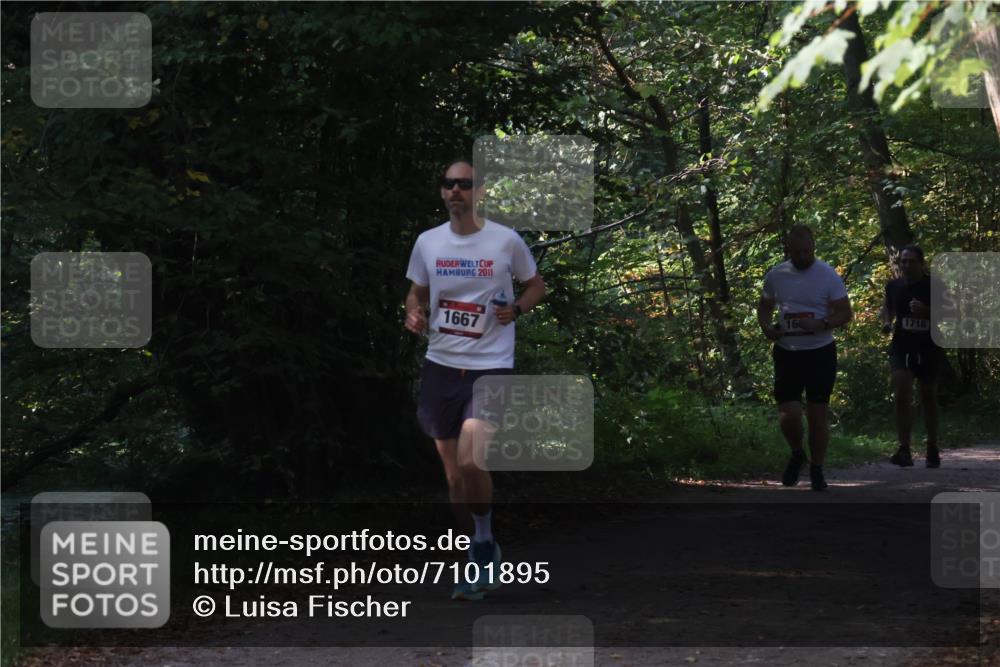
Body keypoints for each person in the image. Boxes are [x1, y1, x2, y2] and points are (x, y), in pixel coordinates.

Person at [404, 159, 546, 600]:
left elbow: (536, 285)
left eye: (464, 185)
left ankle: (484, 541)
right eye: (448, 184)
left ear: (479, 192)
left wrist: (517, 308)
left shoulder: (505, 240)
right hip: (441, 365)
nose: (455, 192)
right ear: (441, 191)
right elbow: (417, 291)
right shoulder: (428, 242)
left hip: (491, 366)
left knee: (471, 461)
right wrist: (413, 309)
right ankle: (474, 560)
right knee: (453, 480)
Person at [757, 225, 853, 491]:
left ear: (813, 247)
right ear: (789, 250)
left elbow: (845, 313)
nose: (802, 256)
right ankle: (798, 453)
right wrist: (766, 328)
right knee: (788, 413)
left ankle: (817, 468)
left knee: (817, 414)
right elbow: (764, 307)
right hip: (787, 352)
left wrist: (822, 324)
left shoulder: (827, 275)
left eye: (807, 251)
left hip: (820, 351)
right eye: (797, 251)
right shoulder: (777, 275)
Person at [882, 244, 946, 468]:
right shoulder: (893, 286)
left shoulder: (935, 285)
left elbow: (952, 314)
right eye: (903, 262)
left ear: (922, 263)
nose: (907, 265)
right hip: (902, 345)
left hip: (930, 345)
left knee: (928, 394)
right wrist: (886, 324)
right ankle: (904, 448)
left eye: (911, 261)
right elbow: (888, 311)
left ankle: (932, 446)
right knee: (901, 392)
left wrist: (927, 311)